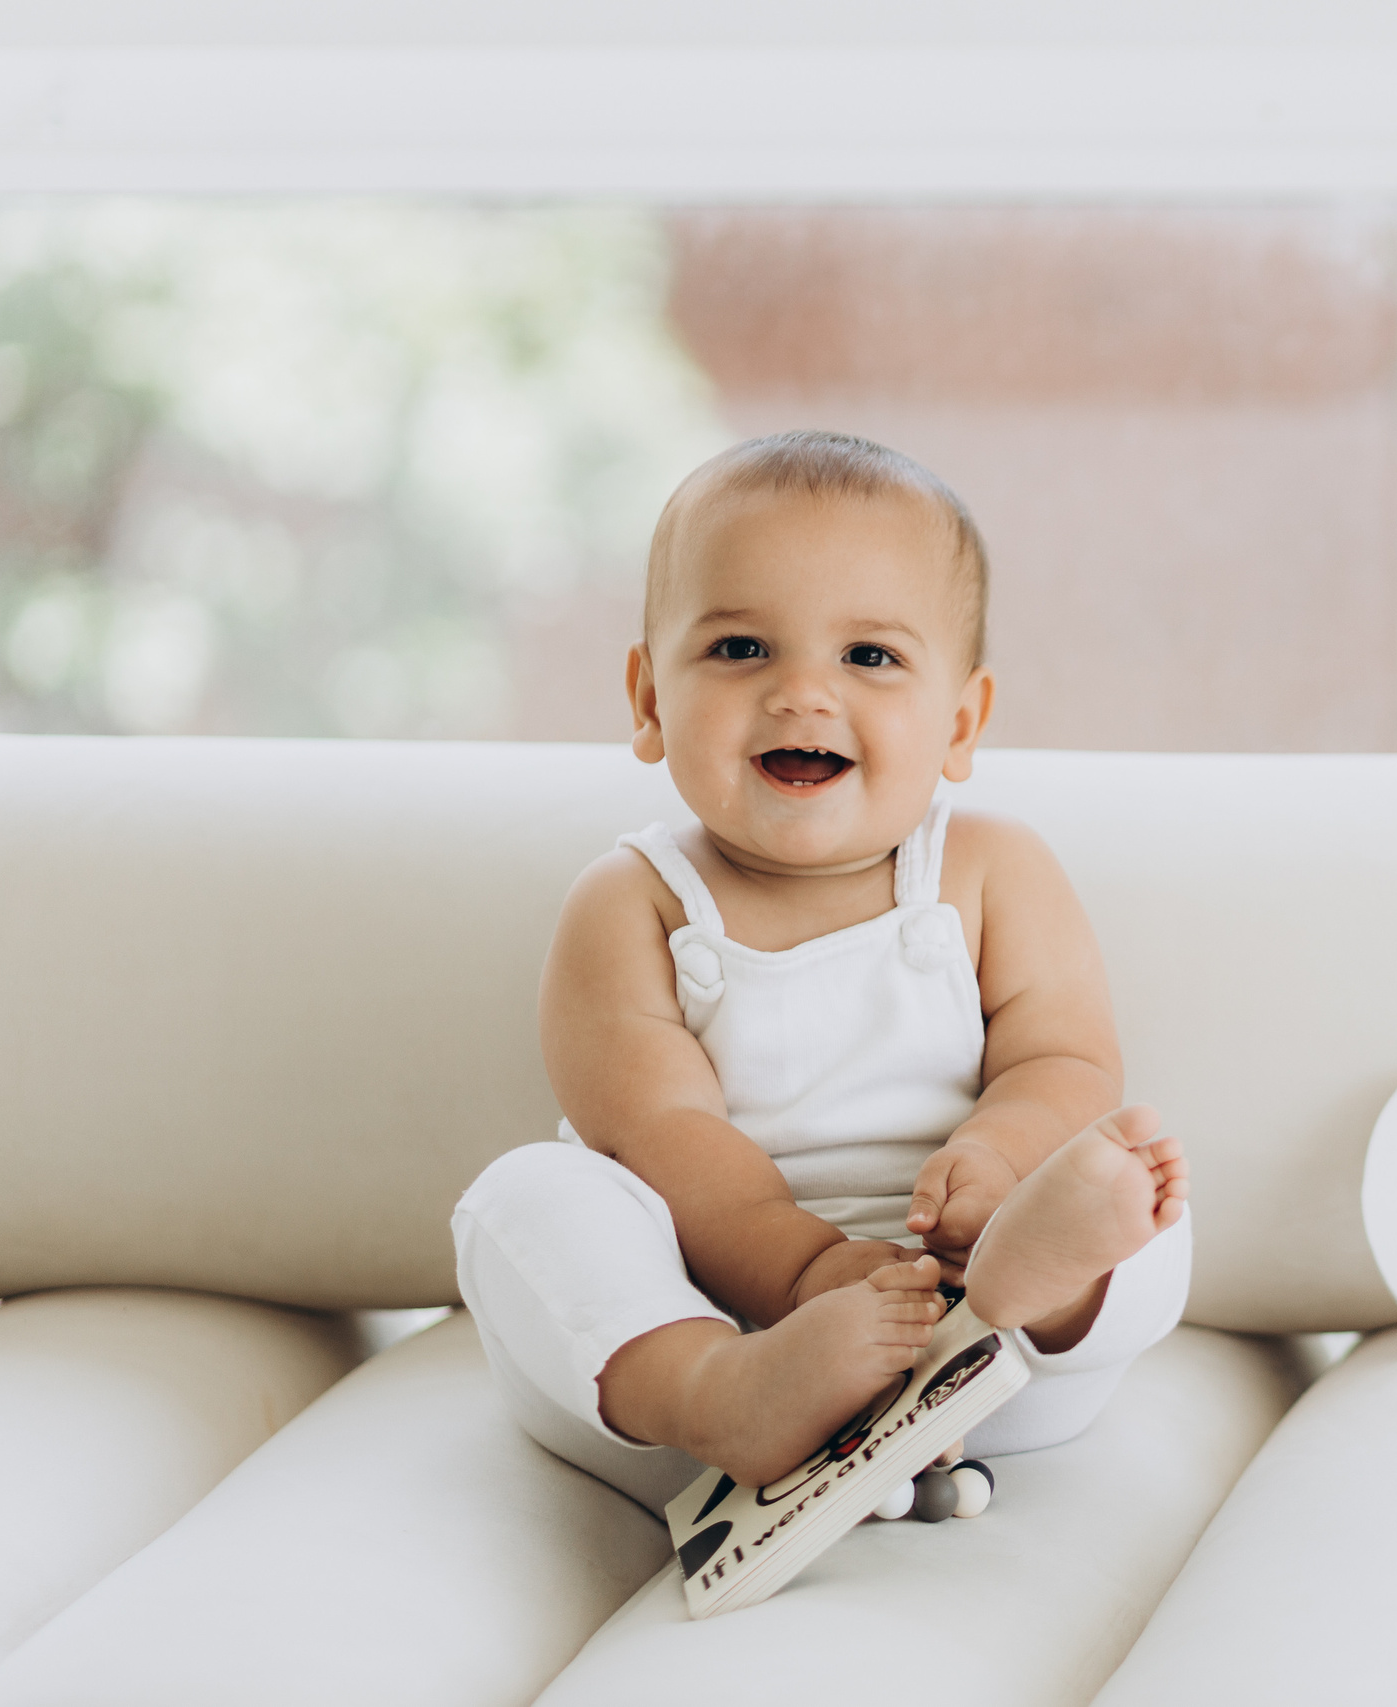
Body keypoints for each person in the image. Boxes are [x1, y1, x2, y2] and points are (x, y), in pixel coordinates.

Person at [451, 430, 1191, 1512]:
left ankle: (1035, 1277)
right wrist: (805, 1276)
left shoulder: (994, 872)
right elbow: (662, 1136)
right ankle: (717, 1396)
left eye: (869, 657)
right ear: (648, 698)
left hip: (989, 1347)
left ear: (961, 722)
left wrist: (999, 1161)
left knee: (1138, 1187)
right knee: (526, 1200)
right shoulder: (634, 905)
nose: (802, 693)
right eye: (741, 648)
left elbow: (1065, 1059)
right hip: (723, 1315)